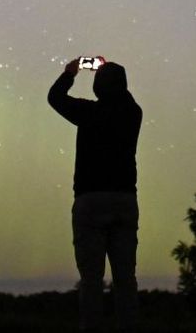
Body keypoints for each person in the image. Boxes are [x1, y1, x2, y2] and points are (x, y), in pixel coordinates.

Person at [48, 57, 143, 332]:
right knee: (126, 279)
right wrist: (110, 69)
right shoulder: (133, 113)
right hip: (124, 199)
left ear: (99, 87)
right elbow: (123, 96)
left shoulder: (88, 112)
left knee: (91, 280)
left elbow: (55, 97)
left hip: (90, 201)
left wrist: (72, 70)